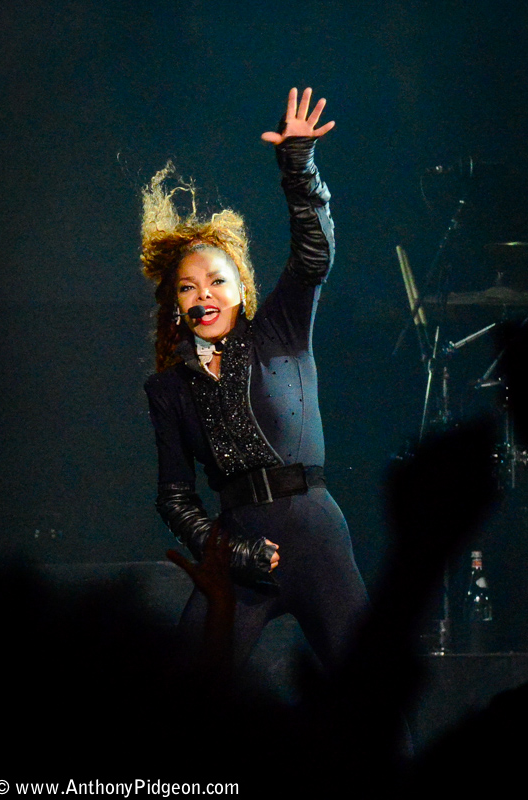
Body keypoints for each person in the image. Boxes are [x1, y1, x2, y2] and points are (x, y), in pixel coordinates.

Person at [142, 87, 368, 672]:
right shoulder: (167, 389)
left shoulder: (280, 331)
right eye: (188, 288)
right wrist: (225, 549)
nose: (203, 296)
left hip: (316, 537)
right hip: (241, 557)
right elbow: (175, 495)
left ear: (241, 289)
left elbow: (313, 254)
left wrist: (299, 164)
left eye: (216, 282)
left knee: (368, 692)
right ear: (175, 306)